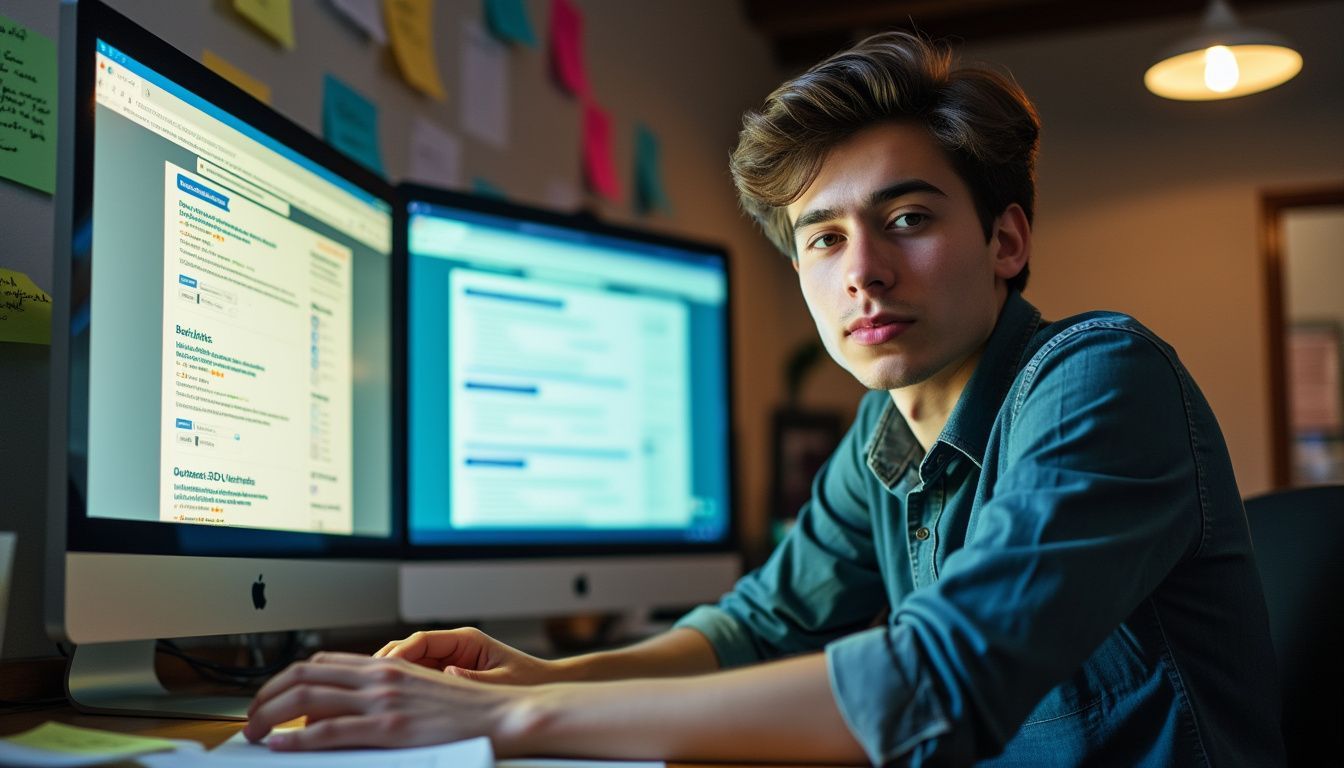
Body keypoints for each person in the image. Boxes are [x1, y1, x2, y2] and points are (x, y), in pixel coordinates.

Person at [244, 31, 1285, 765]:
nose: (862, 272)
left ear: (1006, 240)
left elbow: (937, 679)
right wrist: (525, 679)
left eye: (908, 217)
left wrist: (515, 725)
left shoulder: (1100, 379)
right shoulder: (886, 436)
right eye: (823, 239)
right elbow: (759, 624)